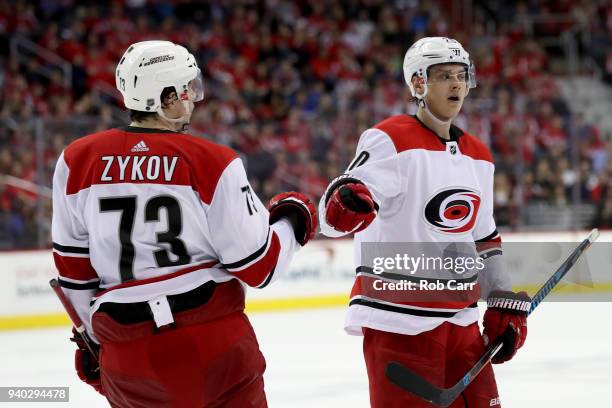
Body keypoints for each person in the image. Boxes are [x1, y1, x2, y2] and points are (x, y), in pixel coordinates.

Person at [51, 40, 318, 408]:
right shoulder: (213, 161)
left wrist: (96, 343)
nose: (194, 97)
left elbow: (74, 272)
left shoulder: (75, 160)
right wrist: (293, 220)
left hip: (129, 354)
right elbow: (260, 267)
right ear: (167, 98)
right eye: (187, 89)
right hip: (212, 342)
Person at [318, 37, 531, 407]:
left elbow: (485, 240)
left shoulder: (479, 155)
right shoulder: (390, 139)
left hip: (462, 324)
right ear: (418, 83)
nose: (456, 85)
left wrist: (500, 301)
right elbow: (333, 220)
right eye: (444, 75)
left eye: (461, 75)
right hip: (400, 325)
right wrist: (345, 204)